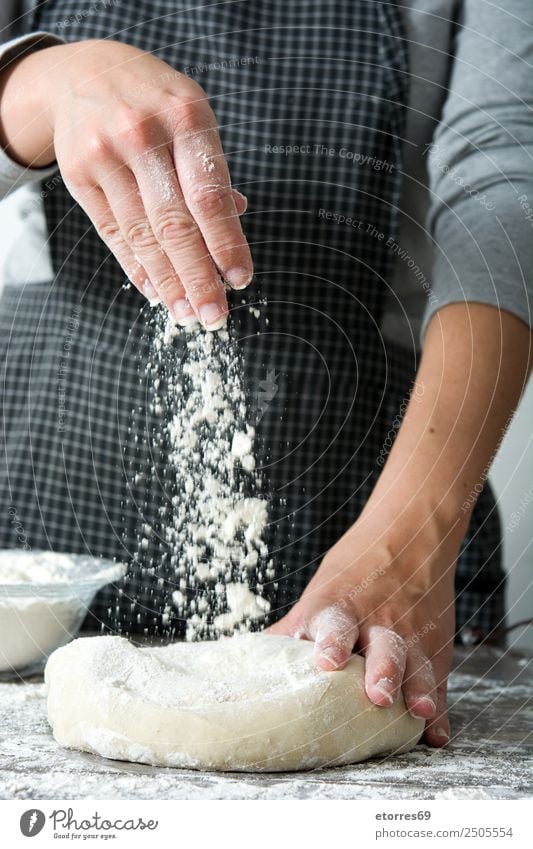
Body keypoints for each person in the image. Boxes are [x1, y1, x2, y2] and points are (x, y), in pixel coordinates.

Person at [0, 0, 531, 750]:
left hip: (381, 491)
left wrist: (413, 535)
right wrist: (35, 85)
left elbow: (504, 171)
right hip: (37, 510)